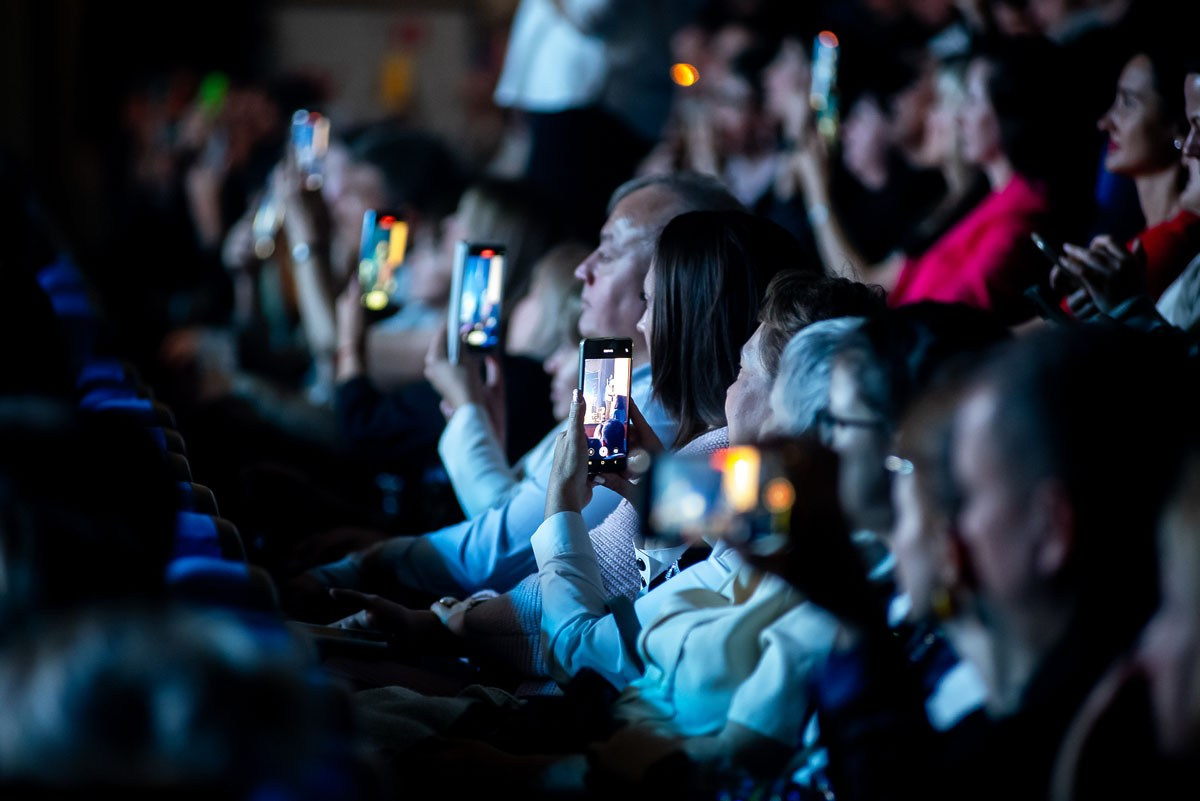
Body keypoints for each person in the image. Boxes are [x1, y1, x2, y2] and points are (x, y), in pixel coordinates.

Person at [281, 172, 743, 623]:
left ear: (678, 277)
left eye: (610, 251)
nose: (586, 268)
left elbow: (502, 556)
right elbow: (512, 524)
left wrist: (374, 561)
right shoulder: (623, 387)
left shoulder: (646, 413)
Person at [794, 35, 1072, 323]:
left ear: (1007, 111)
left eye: (972, 101)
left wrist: (817, 190)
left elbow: (947, 319)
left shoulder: (1019, 212)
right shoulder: (982, 201)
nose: (958, 117)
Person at [1052, 43, 1200, 318]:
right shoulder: (1140, 236)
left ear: (1178, 127)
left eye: (1128, 103)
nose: (1105, 122)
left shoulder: (1167, 244)